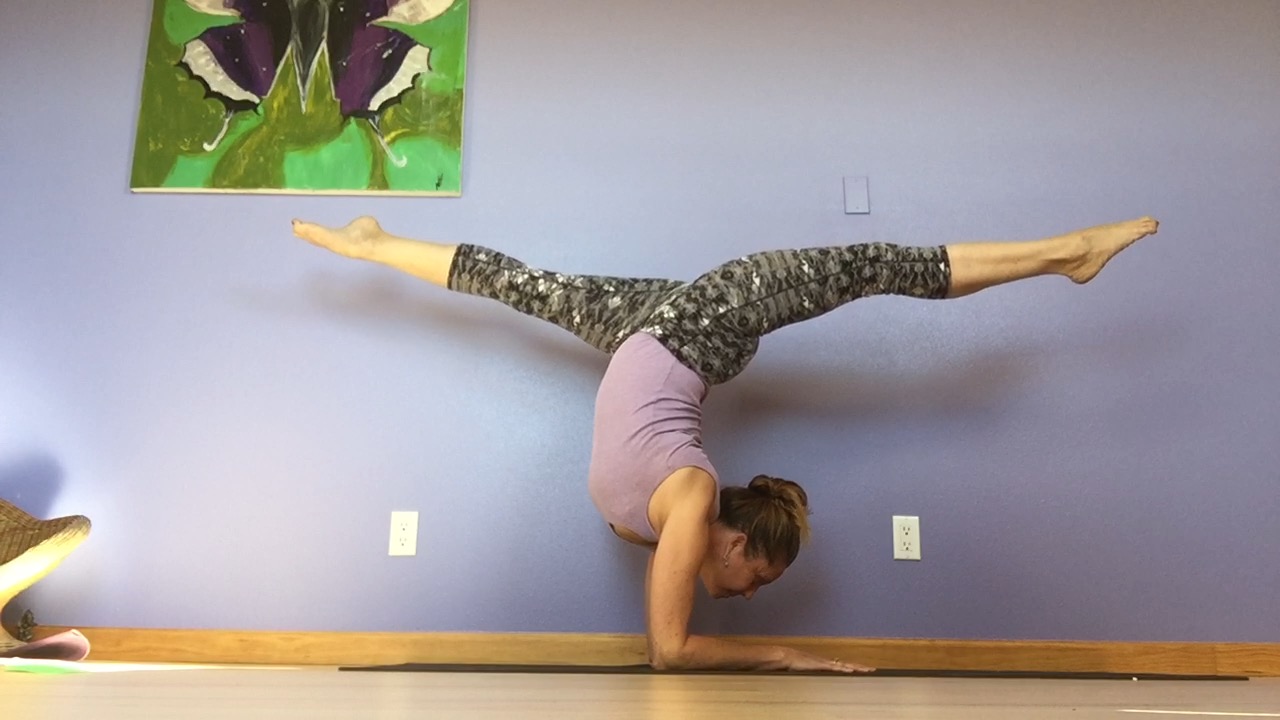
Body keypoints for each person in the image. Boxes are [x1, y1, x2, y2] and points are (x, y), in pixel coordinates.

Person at [291, 215, 1159, 673]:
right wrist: (789, 655)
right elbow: (673, 652)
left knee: (522, 286)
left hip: (645, 330)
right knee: (872, 265)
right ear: (736, 542)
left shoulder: (667, 522)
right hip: (701, 324)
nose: (747, 596)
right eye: (758, 578)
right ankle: (1065, 252)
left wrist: (770, 649)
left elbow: (664, 646)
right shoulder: (693, 498)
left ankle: (378, 246)